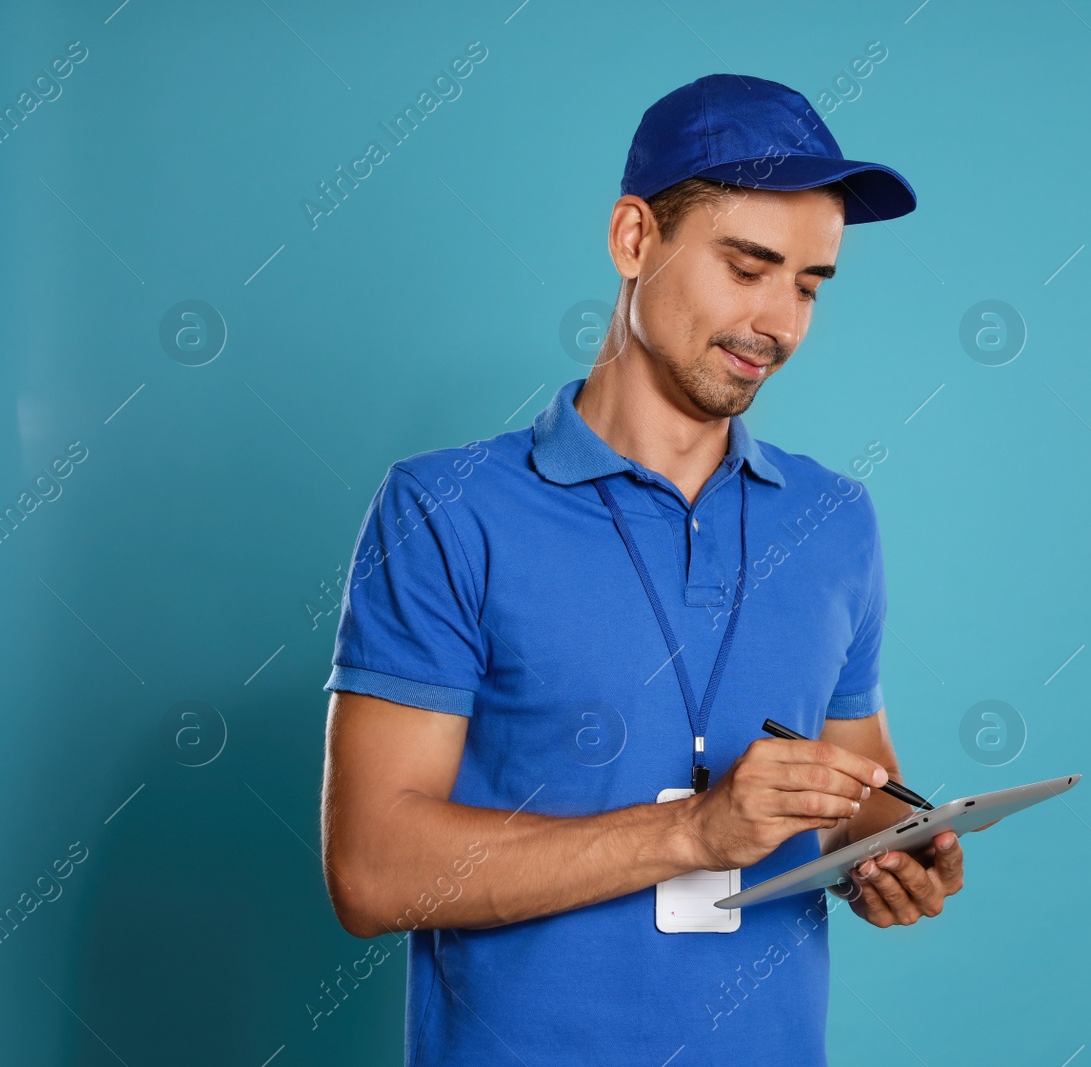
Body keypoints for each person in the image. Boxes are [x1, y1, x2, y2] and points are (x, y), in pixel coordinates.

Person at [319, 73, 972, 1066]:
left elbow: (857, 782)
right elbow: (372, 868)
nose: (780, 324)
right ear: (634, 240)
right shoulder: (445, 509)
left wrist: (892, 845)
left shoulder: (836, 519)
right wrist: (694, 834)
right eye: (747, 266)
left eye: (807, 282)